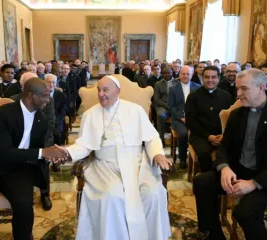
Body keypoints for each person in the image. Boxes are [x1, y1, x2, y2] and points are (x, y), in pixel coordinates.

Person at [54, 75, 172, 240]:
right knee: (111, 196)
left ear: (118, 91)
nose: (101, 94)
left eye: (105, 90)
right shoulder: (90, 115)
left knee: (152, 192)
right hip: (105, 165)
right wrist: (68, 152)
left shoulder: (135, 110)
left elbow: (151, 137)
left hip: (137, 163)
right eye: (98, 90)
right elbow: (84, 145)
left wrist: (157, 153)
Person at [0, 78, 67, 239]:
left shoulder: (41, 119)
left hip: (20, 170)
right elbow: (4, 152)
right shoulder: (3, 113)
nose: (48, 98)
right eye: (44, 95)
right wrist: (43, 153)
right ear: (31, 95)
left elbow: (40, 152)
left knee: (24, 206)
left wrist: (53, 157)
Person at [194, 69, 267, 240]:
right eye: (237, 88)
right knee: (202, 182)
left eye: (244, 89)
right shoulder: (237, 114)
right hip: (238, 170)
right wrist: (224, 167)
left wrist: (254, 183)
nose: (238, 94)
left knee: (244, 213)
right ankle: (212, 235)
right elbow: (224, 148)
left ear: (261, 87)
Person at [10, 72, 56, 211]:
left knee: (43, 159)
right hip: (20, 144)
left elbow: (50, 122)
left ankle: (44, 193)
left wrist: (46, 147)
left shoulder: (48, 100)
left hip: (41, 139)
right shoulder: (13, 100)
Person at [185, 66, 233, 172]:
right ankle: (207, 178)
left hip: (221, 135)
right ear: (202, 78)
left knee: (233, 150)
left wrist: (223, 136)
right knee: (203, 153)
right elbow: (190, 122)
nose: (210, 80)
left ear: (218, 79)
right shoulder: (193, 97)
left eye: (213, 77)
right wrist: (208, 136)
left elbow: (231, 120)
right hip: (200, 135)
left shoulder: (227, 97)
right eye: (207, 77)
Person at [168, 66, 201, 168]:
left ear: (192, 75)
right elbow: (171, 107)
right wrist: (181, 118)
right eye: (183, 74)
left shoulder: (198, 87)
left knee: (199, 133)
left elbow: (200, 105)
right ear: (179, 74)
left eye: (188, 74)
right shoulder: (173, 89)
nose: (185, 76)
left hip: (194, 118)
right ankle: (182, 158)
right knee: (183, 133)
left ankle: (197, 158)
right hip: (179, 119)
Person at [154, 67, 177, 145]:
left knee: (180, 115)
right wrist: (166, 105)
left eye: (169, 72)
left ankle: (178, 140)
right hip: (163, 106)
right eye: (165, 73)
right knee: (160, 115)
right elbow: (156, 99)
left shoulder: (177, 83)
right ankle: (161, 139)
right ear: (162, 74)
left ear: (172, 73)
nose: (167, 74)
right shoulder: (158, 84)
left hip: (175, 106)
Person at [45, 74, 67, 145]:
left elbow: (62, 113)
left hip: (57, 122)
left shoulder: (61, 95)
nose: (51, 84)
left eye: (53, 82)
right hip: (43, 121)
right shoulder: (40, 94)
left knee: (56, 133)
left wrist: (53, 123)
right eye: (49, 82)